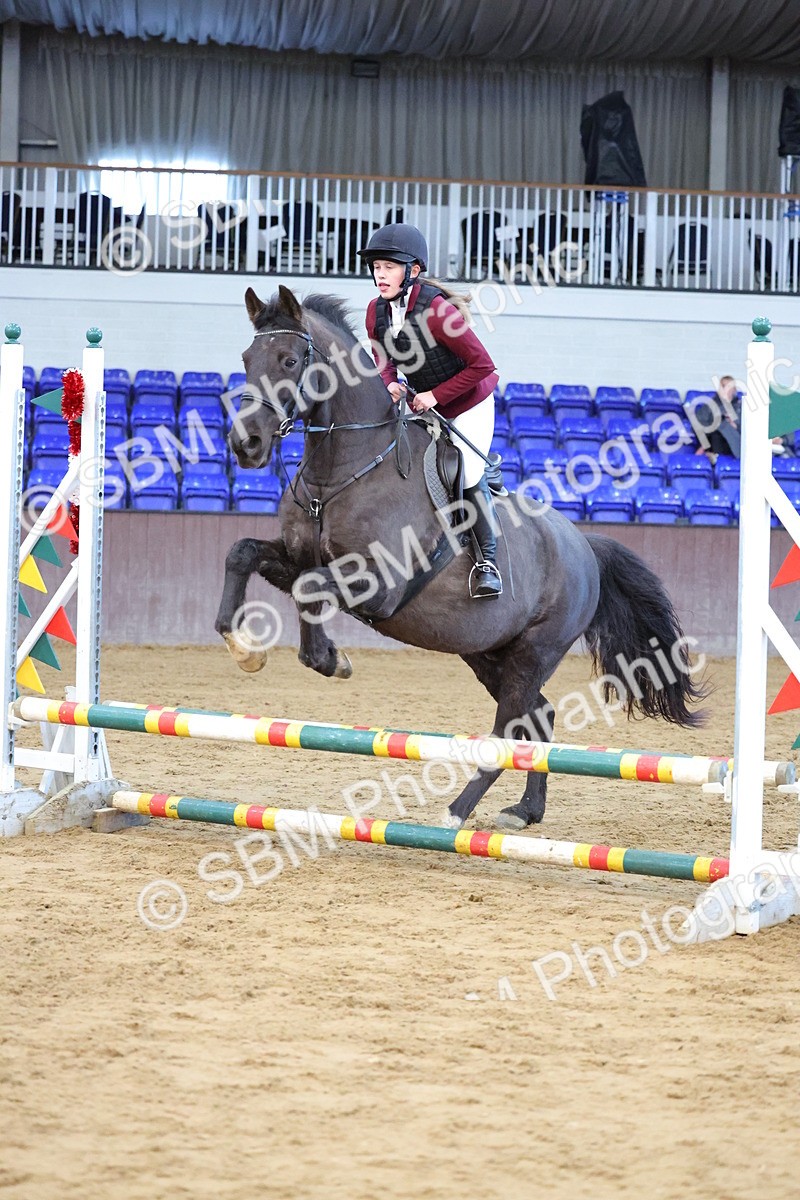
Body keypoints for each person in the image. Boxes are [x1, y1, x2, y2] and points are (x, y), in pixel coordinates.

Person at [358, 222, 503, 599]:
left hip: (470, 402)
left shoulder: (437, 312)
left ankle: (487, 563)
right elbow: (384, 360)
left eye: (389, 267)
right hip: (426, 402)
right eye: (376, 267)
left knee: (467, 473)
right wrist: (390, 383)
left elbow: (483, 366)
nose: (380, 275)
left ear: (413, 271)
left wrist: (435, 395)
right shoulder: (375, 312)